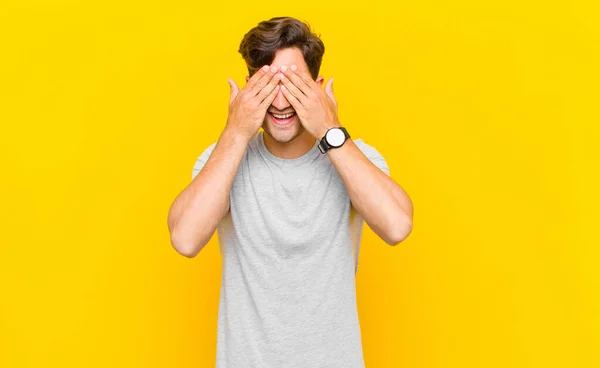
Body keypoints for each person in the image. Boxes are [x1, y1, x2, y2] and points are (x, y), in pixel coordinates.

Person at [167, 16, 413, 368]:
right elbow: (185, 239)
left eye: (294, 84)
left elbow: (398, 226)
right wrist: (235, 132)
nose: (280, 100)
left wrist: (330, 128)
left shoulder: (353, 157)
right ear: (248, 87)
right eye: (267, 84)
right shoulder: (223, 160)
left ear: (319, 87)